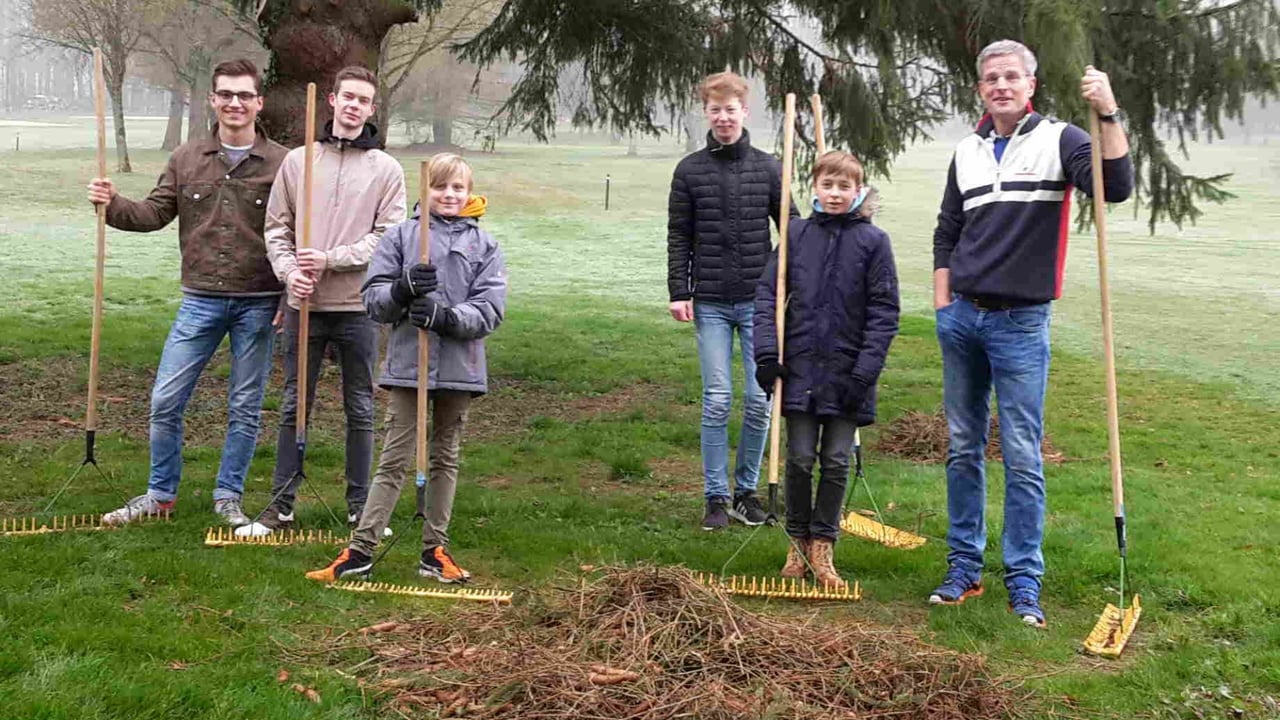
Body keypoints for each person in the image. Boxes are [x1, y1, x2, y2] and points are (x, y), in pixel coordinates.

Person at [929, 40, 1134, 627]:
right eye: (991, 78)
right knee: (963, 447)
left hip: (1021, 323)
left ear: (1031, 85)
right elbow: (947, 230)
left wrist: (1109, 113)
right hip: (962, 319)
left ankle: (1023, 581)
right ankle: (963, 568)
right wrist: (944, 305)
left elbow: (1112, 186)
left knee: (1021, 454)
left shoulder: (1062, 138)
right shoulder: (966, 151)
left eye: (1012, 77)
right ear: (980, 89)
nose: (1001, 85)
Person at [90, 59, 288, 527]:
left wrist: (290, 295)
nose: (234, 103)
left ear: (259, 103)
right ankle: (160, 496)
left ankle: (228, 497)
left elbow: (297, 232)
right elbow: (154, 214)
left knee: (244, 405)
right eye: (226, 94)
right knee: (165, 400)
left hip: (260, 303)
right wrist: (111, 204)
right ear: (213, 100)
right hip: (200, 299)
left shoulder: (285, 164)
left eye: (244, 95)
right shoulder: (186, 158)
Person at [305, 153, 506, 583]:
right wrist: (402, 288)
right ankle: (360, 551)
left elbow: (490, 308)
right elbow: (373, 300)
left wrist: (446, 318)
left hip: (459, 367)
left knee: (444, 457)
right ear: (424, 190)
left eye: (458, 188)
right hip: (407, 366)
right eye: (440, 186)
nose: (449, 195)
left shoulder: (484, 246)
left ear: (469, 194)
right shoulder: (400, 237)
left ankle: (435, 550)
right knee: (395, 457)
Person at [237, 66, 407, 537]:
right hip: (304, 306)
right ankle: (279, 505)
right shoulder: (298, 162)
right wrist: (291, 274)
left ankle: (359, 507)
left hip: (359, 307)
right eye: (346, 97)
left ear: (371, 110)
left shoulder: (386, 170)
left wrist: (330, 258)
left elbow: (388, 239)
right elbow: (276, 229)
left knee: (360, 406)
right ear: (331, 101)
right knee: (295, 405)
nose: (353, 105)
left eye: (363, 100)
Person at [754, 151, 900, 587]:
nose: (834, 194)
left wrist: (864, 373)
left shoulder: (874, 242)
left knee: (835, 461)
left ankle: (824, 549)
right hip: (799, 369)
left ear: (859, 191)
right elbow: (766, 296)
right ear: (813, 187)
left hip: (849, 374)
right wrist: (766, 355)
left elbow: (884, 312)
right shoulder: (797, 235)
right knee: (798, 459)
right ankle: (796, 543)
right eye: (827, 185)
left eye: (844, 187)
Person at [667, 71, 795, 531]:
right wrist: (679, 291)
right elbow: (679, 234)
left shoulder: (768, 167)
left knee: (760, 401)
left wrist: (783, 278)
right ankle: (716, 497)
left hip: (759, 302)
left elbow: (791, 227)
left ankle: (746, 492)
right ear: (707, 112)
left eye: (731, 109)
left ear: (745, 112)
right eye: (715, 110)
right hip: (711, 302)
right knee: (718, 398)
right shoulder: (690, 171)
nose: (724, 117)